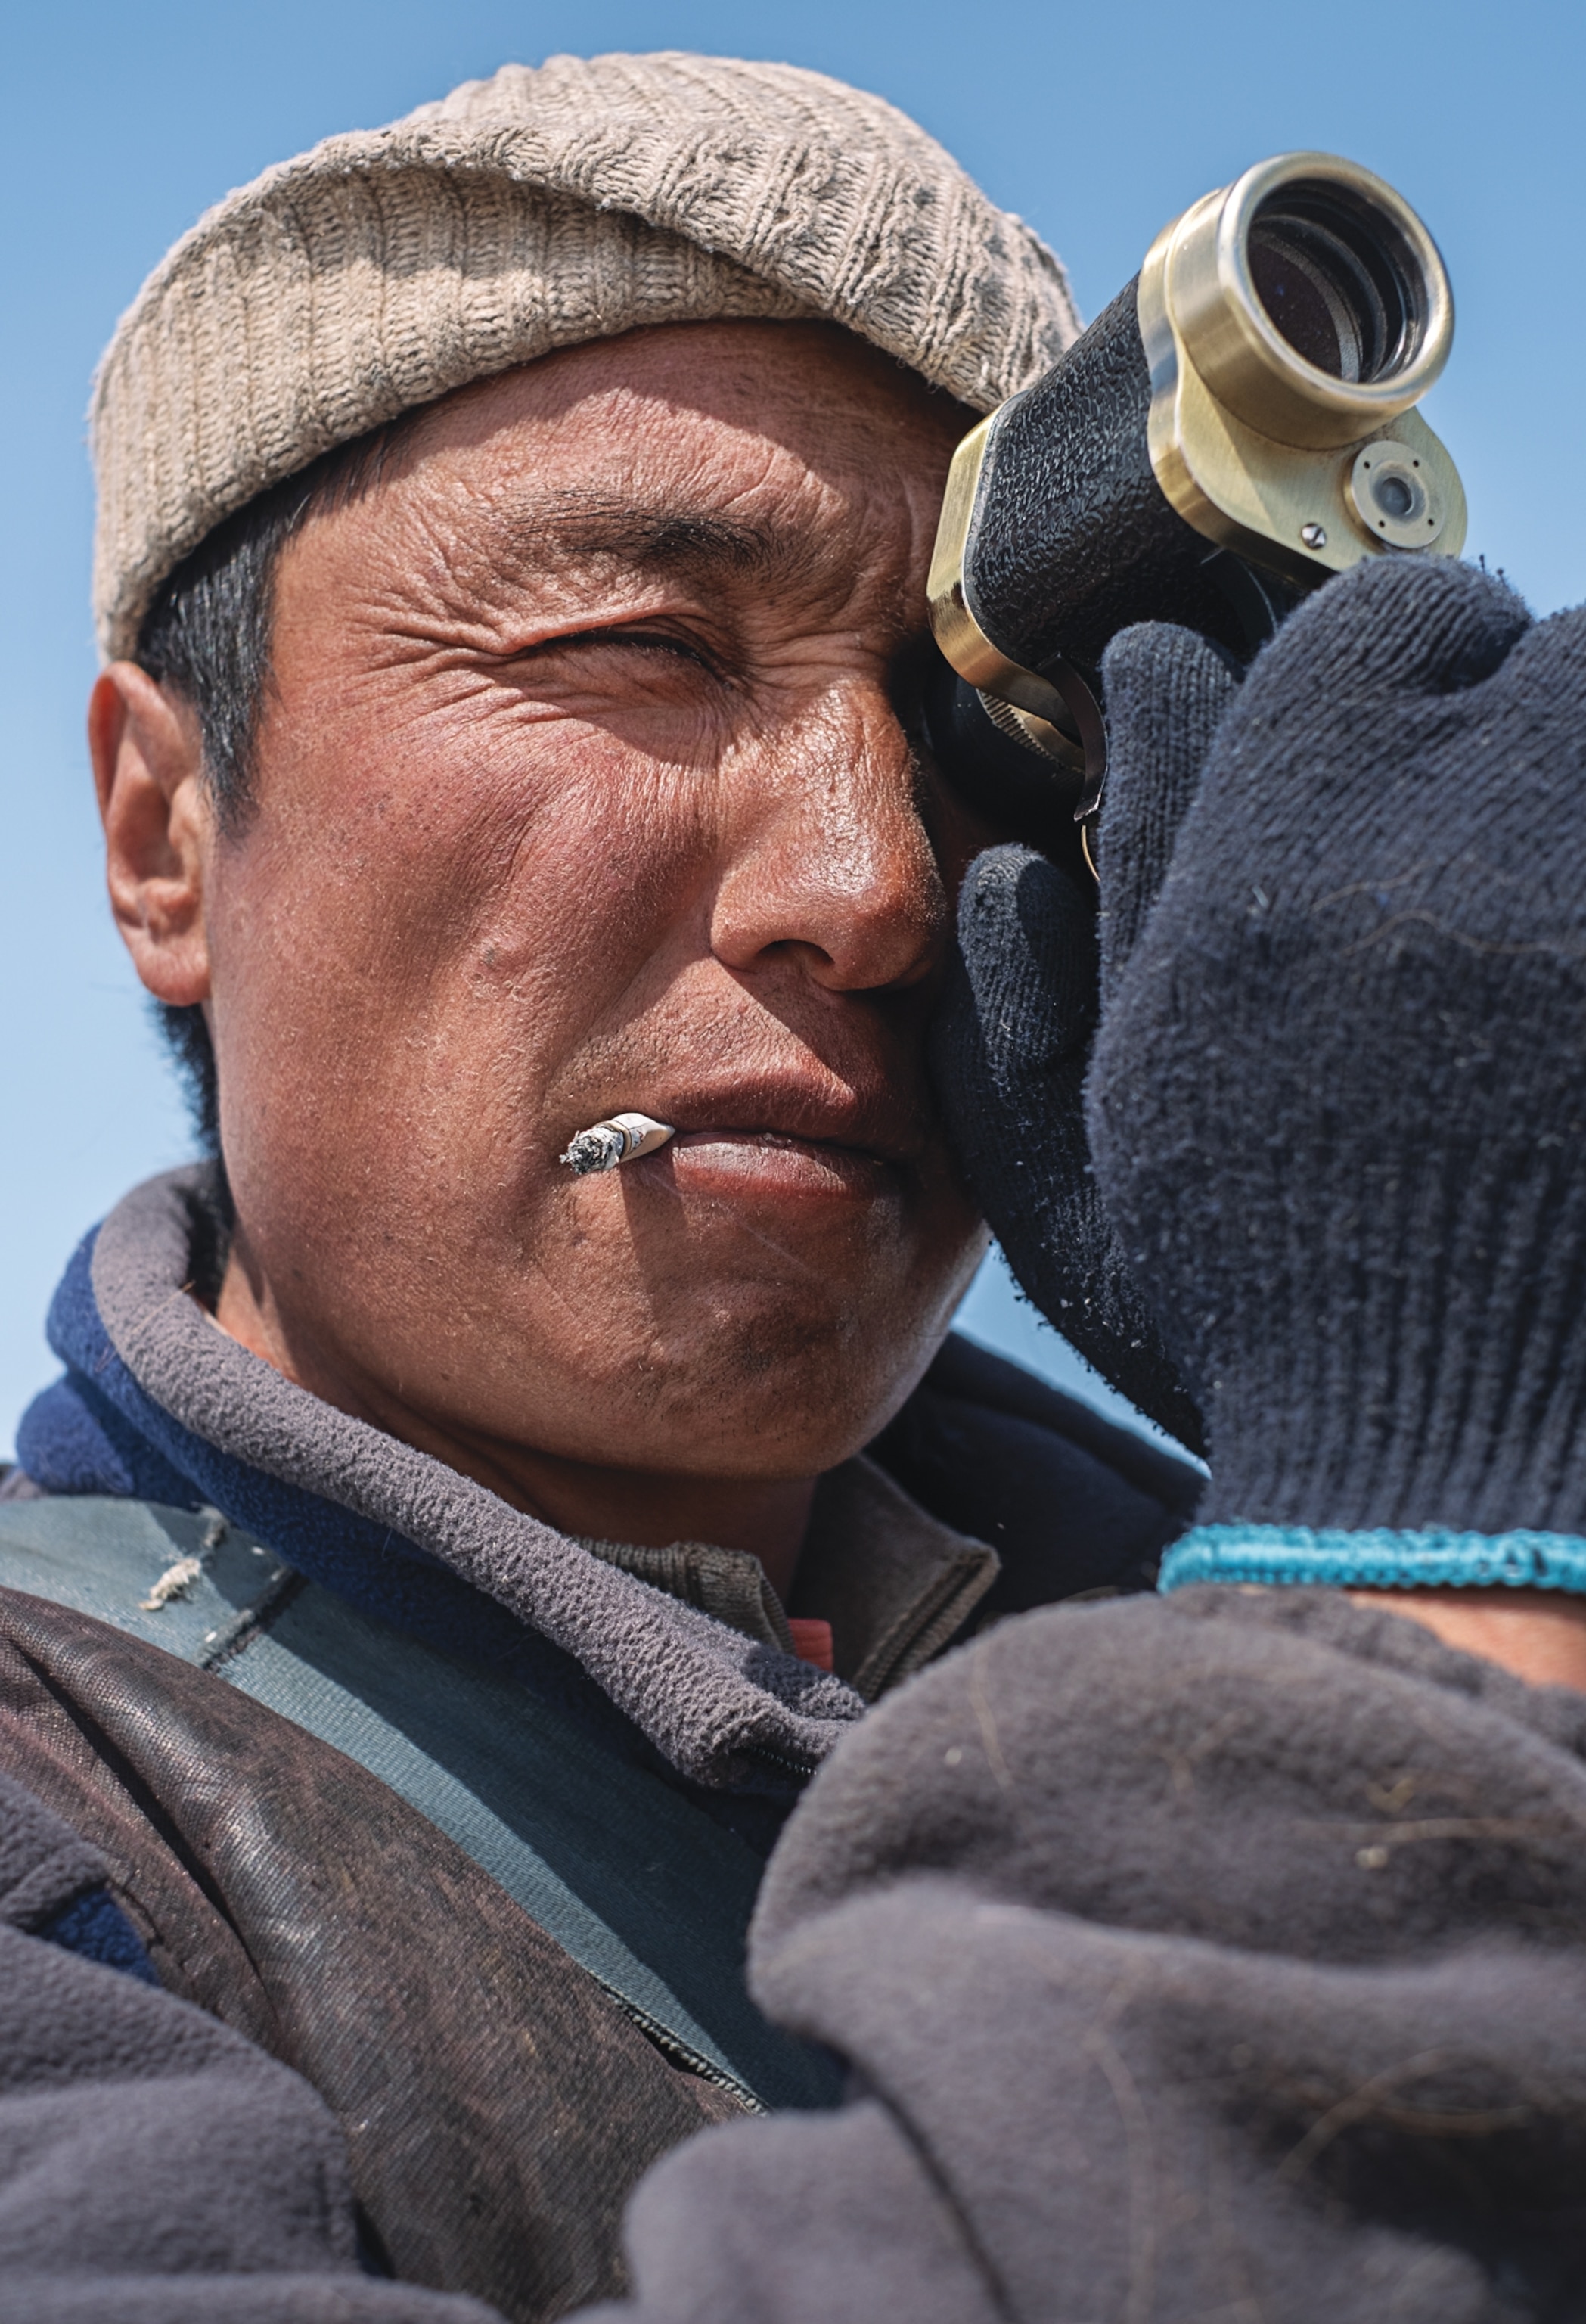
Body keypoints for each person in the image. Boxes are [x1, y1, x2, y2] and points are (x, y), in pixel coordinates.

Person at [0, 52, 1201, 2322]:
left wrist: (1327, 1481)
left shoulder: (1209, 1618)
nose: (873, 892)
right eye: (646, 654)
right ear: (166, 830)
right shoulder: (57, 1816)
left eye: (975, 733)